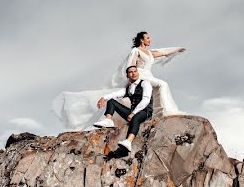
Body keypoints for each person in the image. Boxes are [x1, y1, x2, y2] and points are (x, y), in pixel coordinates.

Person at [52, 30, 186, 130]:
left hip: (149, 75)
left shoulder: (149, 53)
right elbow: (130, 65)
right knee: (163, 84)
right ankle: (166, 111)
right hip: (141, 75)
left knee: (155, 91)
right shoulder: (136, 51)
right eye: (148, 38)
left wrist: (177, 49)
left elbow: (162, 53)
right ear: (141, 40)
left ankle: (159, 113)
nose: (150, 40)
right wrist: (133, 79)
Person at [92, 65, 153, 154]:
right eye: (130, 72)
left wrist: (133, 113)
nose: (133, 73)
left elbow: (146, 100)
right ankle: (108, 120)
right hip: (132, 112)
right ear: (127, 76)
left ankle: (128, 141)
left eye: (135, 71)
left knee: (135, 118)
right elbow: (116, 94)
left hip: (145, 112)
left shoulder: (145, 83)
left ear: (138, 73)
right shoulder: (128, 88)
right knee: (111, 101)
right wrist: (103, 98)